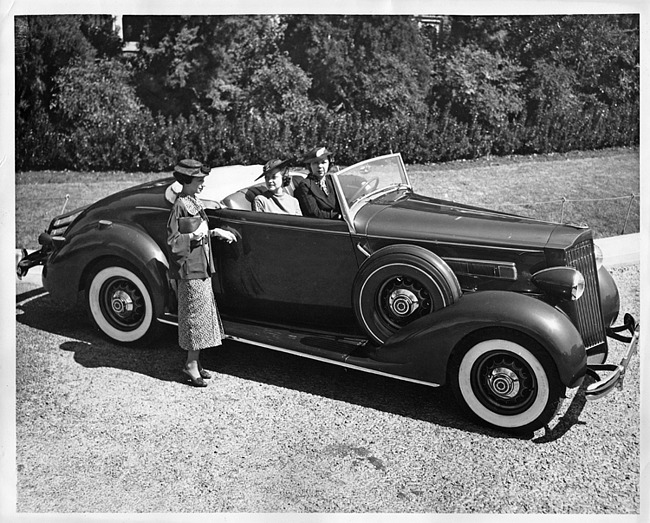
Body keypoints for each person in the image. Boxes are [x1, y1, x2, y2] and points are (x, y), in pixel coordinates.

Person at [166, 158, 238, 387]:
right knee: (194, 318)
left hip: (201, 267)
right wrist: (194, 237)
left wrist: (214, 232)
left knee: (201, 315)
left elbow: (201, 230)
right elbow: (173, 241)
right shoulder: (180, 205)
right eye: (199, 180)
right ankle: (190, 365)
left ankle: (195, 362)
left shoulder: (192, 201)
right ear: (186, 181)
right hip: (191, 270)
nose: (202, 184)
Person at [294, 146, 342, 219]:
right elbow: (313, 213)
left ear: (329, 163)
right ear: (310, 165)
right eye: (315, 163)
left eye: (323, 162)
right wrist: (337, 216)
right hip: (324, 224)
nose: (320, 166)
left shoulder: (332, 180)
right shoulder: (305, 185)